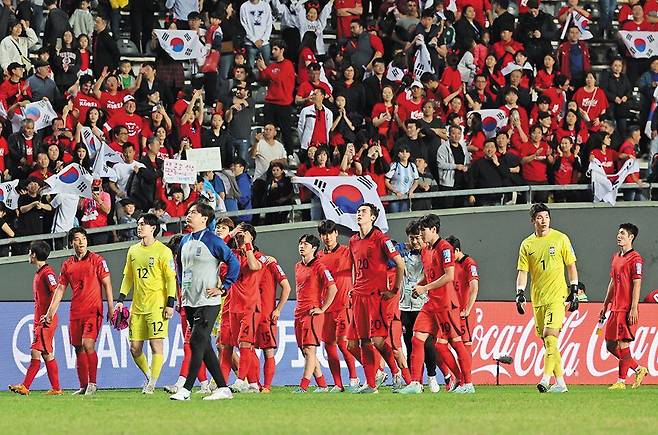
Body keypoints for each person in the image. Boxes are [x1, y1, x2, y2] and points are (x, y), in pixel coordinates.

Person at [170, 203, 240, 401]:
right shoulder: (184, 240)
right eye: (189, 212)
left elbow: (234, 262)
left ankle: (186, 388)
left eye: (194, 212)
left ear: (204, 219)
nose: (189, 215)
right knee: (204, 343)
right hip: (190, 301)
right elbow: (180, 269)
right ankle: (223, 388)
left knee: (195, 340)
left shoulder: (213, 241)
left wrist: (224, 287)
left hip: (209, 300)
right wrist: (182, 291)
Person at [397, 214, 472, 394]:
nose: (421, 233)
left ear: (433, 230)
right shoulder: (426, 250)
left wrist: (425, 288)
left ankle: (467, 383)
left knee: (454, 342)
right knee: (417, 338)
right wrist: (421, 284)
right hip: (432, 303)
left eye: (423, 230)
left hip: (447, 303)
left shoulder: (445, 248)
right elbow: (430, 274)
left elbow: (449, 276)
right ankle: (415, 383)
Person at [515, 203, 579, 393]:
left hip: (557, 296)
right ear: (533, 220)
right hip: (538, 298)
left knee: (550, 337)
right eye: (540, 217)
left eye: (546, 217)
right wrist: (519, 293)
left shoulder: (561, 239)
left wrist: (574, 290)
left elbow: (571, 265)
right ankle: (561, 384)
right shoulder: (527, 244)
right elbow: (523, 271)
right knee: (548, 342)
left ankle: (545, 379)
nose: (544, 221)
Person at [44, 227, 114, 395]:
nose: (81, 241)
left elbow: (107, 284)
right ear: (71, 243)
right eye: (77, 238)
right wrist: (50, 312)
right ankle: (83, 386)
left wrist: (111, 307)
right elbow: (60, 289)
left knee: (87, 344)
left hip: (93, 310)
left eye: (83, 238)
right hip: (76, 311)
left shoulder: (97, 260)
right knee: (77, 348)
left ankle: (93, 383)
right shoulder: (67, 264)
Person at [114, 214, 177, 394]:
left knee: (156, 345)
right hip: (138, 306)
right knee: (134, 348)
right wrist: (120, 300)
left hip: (157, 305)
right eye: (139, 224)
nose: (139, 227)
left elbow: (170, 279)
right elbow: (128, 277)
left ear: (153, 228)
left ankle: (152, 384)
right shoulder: (133, 251)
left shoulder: (163, 251)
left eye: (143, 224)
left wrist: (170, 303)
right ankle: (149, 375)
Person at [348, 203, 405, 394]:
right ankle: (371, 384)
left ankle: (396, 372)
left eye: (363, 212)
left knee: (378, 340)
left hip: (375, 296)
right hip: (359, 297)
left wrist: (394, 289)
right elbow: (355, 266)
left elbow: (400, 263)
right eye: (358, 211)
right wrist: (354, 286)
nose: (359, 214)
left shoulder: (381, 239)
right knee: (361, 342)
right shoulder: (353, 240)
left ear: (373, 217)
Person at [9, 241, 62, 396]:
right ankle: (56, 388)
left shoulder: (48, 273)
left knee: (35, 352)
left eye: (29, 252)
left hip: (46, 320)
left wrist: (50, 314)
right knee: (46, 354)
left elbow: (56, 292)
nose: (28, 254)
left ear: (33, 254)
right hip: (41, 320)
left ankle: (25, 386)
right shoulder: (40, 273)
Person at [601, 223, 648, 390]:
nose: (618, 236)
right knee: (609, 344)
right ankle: (638, 368)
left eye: (622, 233)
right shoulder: (616, 257)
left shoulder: (635, 258)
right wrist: (606, 304)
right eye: (618, 233)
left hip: (626, 308)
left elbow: (637, 284)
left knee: (623, 344)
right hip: (614, 308)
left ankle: (621, 382)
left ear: (631, 237)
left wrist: (634, 307)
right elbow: (612, 282)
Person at [397, 221, 442, 393]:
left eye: (417, 237)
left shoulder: (429, 253)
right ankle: (416, 381)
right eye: (411, 238)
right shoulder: (403, 253)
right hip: (405, 305)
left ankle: (432, 377)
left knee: (428, 344)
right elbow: (390, 249)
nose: (415, 241)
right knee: (410, 344)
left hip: (424, 303)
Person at [223, 223, 267, 394]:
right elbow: (217, 248)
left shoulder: (259, 256)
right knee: (239, 346)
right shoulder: (232, 254)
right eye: (239, 236)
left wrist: (248, 244)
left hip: (250, 307)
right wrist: (231, 233)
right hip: (233, 306)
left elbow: (254, 266)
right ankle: (254, 384)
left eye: (244, 235)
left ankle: (241, 380)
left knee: (245, 343)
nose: (240, 238)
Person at [317, 220, 359, 392]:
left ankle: (354, 379)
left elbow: (359, 267)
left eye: (330, 233)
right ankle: (338, 383)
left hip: (344, 304)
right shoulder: (318, 256)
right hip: (326, 306)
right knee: (329, 345)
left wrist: (356, 288)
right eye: (324, 234)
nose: (327, 237)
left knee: (344, 343)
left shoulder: (347, 252)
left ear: (336, 234)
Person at [293, 233, 338, 393]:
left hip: (312, 312)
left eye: (305, 244)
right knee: (305, 351)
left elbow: (333, 287)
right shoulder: (298, 266)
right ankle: (323, 385)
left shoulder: (320, 266)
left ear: (314, 248)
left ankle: (303, 386)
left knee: (309, 350)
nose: (301, 246)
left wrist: (323, 308)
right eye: (300, 243)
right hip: (299, 312)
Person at [255, 252, 291, 393]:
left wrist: (278, 309)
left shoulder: (270, 263)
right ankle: (255, 384)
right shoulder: (242, 262)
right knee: (247, 349)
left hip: (266, 315)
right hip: (249, 314)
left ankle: (267, 386)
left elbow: (287, 287)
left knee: (267, 351)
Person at [446, 235, 479, 389]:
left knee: (465, 347)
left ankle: (467, 382)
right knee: (441, 345)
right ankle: (460, 379)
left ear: (458, 250)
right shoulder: (450, 265)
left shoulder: (468, 263)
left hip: (463, 313)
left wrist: (468, 309)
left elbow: (474, 287)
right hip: (449, 311)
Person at [256, 40, 296, 160]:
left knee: (286, 131)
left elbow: (280, 79)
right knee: (268, 130)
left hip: (284, 104)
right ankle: (266, 154)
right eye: (272, 49)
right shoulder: (272, 66)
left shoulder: (288, 64)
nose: (272, 52)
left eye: (275, 49)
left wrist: (265, 68)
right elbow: (264, 78)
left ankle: (289, 154)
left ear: (282, 50)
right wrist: (261, 69)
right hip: (271, 103)